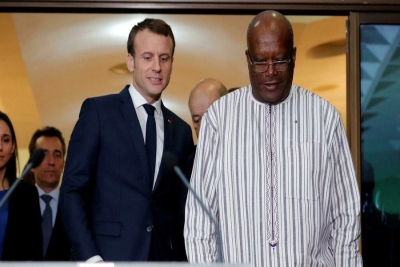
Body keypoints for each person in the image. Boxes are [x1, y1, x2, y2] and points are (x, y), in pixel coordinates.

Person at [184, 10, 362, 267]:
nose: (270, 72)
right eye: (260, 62)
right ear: (247, 59)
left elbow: (345, 213)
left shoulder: (324, 118)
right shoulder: (219, 120)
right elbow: (200, 217)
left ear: (294, 56)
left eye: (280, 60)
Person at [60, 18, 194, 262]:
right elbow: (72, 191)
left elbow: (178, 209)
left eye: (164, 58)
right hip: (108, 258)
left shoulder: (182, 131)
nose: (157, 67)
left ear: (172, 63)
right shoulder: (99, 112)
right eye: (147, 57)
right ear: (130, 61)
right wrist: (90, 257)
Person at [0, 111, 42, 261]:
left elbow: (34, 253)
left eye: (5, 140)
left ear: (12, 147)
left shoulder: (27, 194)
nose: (0, 147)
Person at [29, 126, 71, 260]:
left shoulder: (74, 208)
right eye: (44, 154)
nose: (51, 162)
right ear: (32, 163)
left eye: (57, 155)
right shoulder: (17, 204)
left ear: (63, 164)